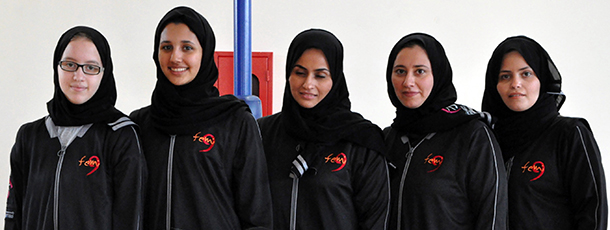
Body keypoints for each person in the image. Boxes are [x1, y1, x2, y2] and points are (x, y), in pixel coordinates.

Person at [129, 6, 272, 230]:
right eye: (167, 47)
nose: (175, 57)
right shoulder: (140, 123)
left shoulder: (234, 121)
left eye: (187, 48)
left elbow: (257, 215)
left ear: (204, 53)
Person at [4, 26, 146, 229]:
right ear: (57, 67)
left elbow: (131, 219)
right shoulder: (30, 137)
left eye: (91, 67)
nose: (78, 76)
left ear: (104, 73)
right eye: (70, 64)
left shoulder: (120, 136)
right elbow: (14, 215)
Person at [257, 28, 389, 230]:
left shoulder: (361, 141)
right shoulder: (263, 133)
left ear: (335, 80)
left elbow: (374, 220)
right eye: (299, 73)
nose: (308, 84)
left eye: (320, 76)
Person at [482, 35, 607, 230]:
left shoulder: (569, 134)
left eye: (526, 74)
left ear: (542, 79)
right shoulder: (487, 140)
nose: (515, 83)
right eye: (505, 76)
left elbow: (593, 211)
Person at [384, 33, 507, 230]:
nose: (408, 82)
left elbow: (492, 217)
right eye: (400, 71)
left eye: (420, 71)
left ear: (438, 74)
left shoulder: (472, 135)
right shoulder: (387, 139)